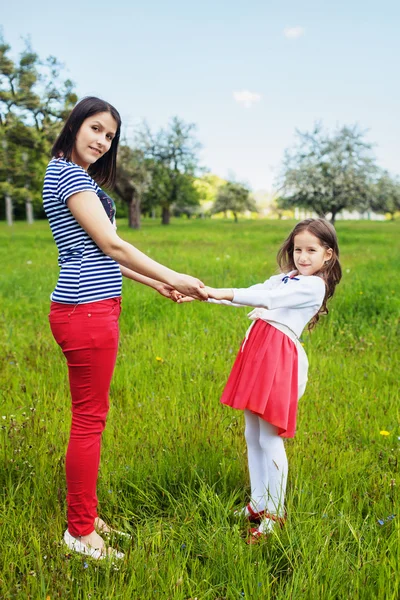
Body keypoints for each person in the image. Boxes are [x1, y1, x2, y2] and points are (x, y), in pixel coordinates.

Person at [43, 96, 207, 559]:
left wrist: (154, 283)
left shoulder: (68, 174)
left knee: (91, 418)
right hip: (85, 311)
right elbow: (113, 244)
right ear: (75, 125)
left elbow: (98, 250)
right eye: (95, 128)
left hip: (90, 306)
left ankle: (87, 516)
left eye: (110, 135)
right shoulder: (70, 176)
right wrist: (172, 275)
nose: (101, 141)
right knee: (89, 421)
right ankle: (79, 531)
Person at [178, 218, 341, 542]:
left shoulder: (312, 286)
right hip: (259, 352)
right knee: (252, 433)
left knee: (269, 437)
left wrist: (213, 290)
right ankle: (258, 502)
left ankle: (275, 514)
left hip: (278, 358)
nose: (303, 257)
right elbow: (256, 292)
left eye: (311, 250)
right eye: (298, 249)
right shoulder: (287, 278)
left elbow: (267, 301)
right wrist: (200, 295)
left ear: (328, 255)